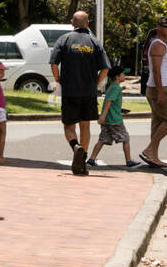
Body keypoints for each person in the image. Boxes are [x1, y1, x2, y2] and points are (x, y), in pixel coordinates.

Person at [50, 10, 110, 176]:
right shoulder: (95, 42)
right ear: (88, 23)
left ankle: (76, 146)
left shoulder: (64, 39)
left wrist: (58, 80)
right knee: (85, 125)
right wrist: (95, 84)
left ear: (72, 23)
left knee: (69, 125)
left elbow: (53, 63)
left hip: (69, 90)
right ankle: (82, 161)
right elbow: (105, 68)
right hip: (88, 91)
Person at [141, 16, 167, 168]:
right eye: (165, 26)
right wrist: (161, 92)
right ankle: (149, 150)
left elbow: (163, 70)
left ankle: (153, 157)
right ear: (158, 27)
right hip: (157, 88)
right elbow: (156, 71)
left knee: (157, 122)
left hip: (162, 87)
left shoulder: (162, 44)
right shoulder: (157, 45)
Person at [88, 65, 141, 169]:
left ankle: (91, 159)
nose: (125, 75)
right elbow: (109, 102)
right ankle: (129, 161)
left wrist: (120, 110)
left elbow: (112, 103)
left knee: (102, 140)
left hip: (108, 120)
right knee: (125, 138)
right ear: (117, 76)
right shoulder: (117, 88)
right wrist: (102, 116)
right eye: (123, 74)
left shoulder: (112, 87)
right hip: (114, 120)